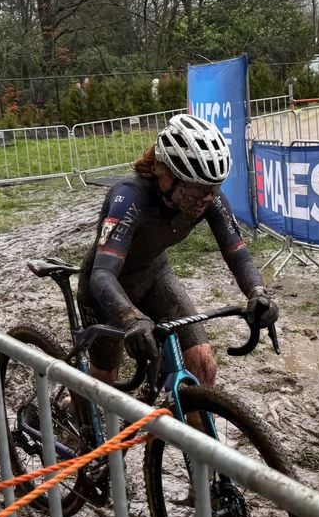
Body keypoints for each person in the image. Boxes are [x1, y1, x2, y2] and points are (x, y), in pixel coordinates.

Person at [77, 114, 277, 389]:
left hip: (154, 276)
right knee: (103, 386)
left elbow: (238, 254)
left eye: (214, 187)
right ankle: (77, 416)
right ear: (165, 175)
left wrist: (258, 293)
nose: (208, 198)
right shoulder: (130, 196)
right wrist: (130, 319)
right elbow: (102, 274)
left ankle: (191, 429)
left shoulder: (209, 200)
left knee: (202, 362)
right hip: (106, 287)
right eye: (198, 189)